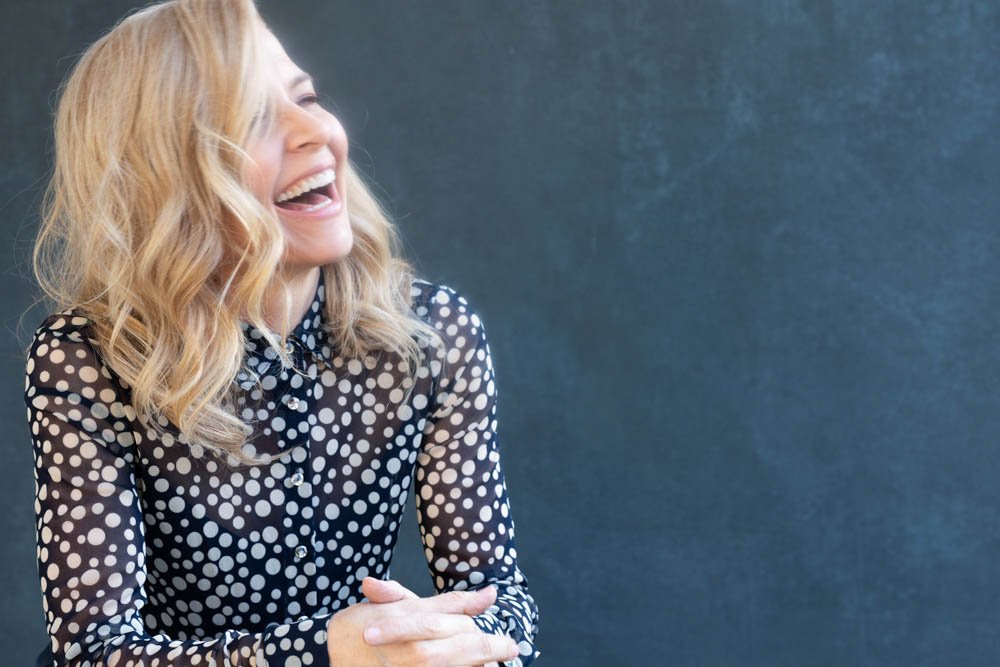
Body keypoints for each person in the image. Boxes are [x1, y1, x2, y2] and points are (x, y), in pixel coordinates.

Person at [23, 1, 540, 665]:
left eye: (307, 98)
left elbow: (498, 596)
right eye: (252, 120)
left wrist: (455, 643)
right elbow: (93, 653)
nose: (315, 131)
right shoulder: (86, 359)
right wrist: (322, 651)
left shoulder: (433, 335)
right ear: (163, 177)